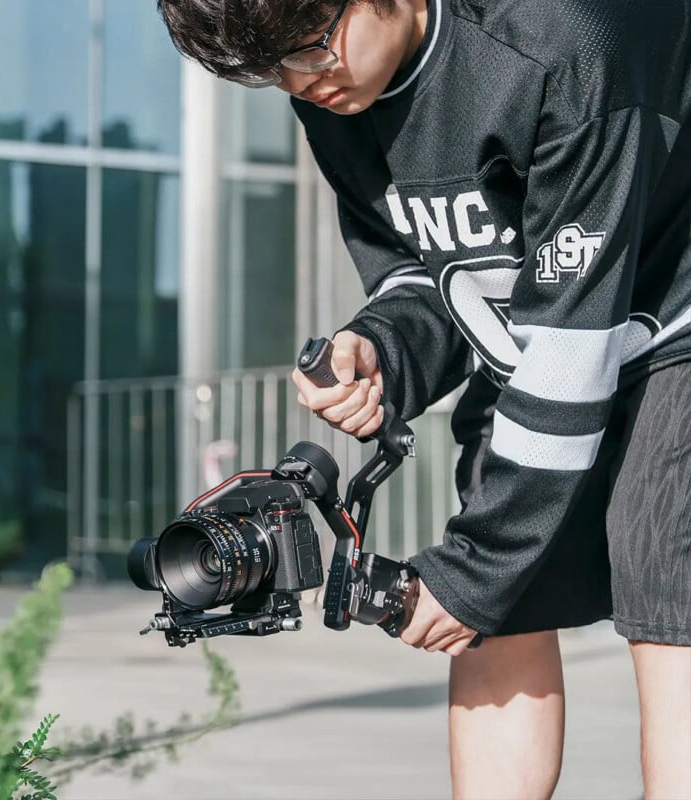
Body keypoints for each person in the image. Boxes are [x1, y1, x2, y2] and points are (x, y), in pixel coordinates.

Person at [156, 0, 691, 796]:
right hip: (540, 331)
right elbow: (431, 275)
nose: (304, 82)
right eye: (277, 73)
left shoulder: (564, 41)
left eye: (311, 48)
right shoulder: (337, 94)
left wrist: (477, 568)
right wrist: (381, 351)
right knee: (499, 612)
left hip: (672, 312)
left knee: (667, 604)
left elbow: (572, 344)